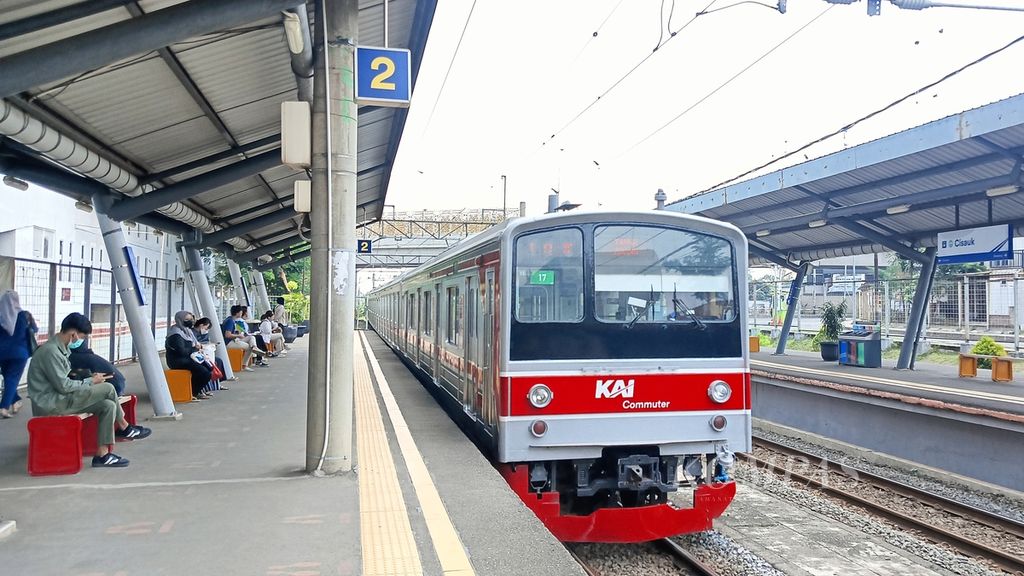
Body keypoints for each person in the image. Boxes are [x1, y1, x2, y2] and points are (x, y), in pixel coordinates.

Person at [27, 312, 151, 468]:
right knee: (107, 388)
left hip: (61, 398)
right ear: (73, 334)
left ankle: (102, 455)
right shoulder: (50, 352)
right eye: (82, 337)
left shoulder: (62, 348)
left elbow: (65, 381)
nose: (82, 340)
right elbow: (64, 386)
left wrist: (89, 378)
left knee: (108, 405)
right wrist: (90, 381)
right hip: (51, 403)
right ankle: (125, 427)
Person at [0, 290, 36, 418]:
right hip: (20, 353)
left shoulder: (0, 315)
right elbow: (34, 330)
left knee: (8, 377)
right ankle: (3, 407)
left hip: (2, 353)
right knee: (12, 378)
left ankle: (16, 401)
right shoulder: (24, 315)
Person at [165, 311, 213, 400]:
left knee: (209, 367)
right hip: (177, 361)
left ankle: (196, 389)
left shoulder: (187, 331)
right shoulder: (176, 334)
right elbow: (181, 351)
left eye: (191, 319)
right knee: (204, 372)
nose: (190, 321)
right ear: (179, 320)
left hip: (188, 358)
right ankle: (193, 392)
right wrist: (195, 348)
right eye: (187, 319)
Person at [222, 305, 267, 372]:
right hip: (229, 342)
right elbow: (227, 335)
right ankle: (244, 365)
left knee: (251, 337)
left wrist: (237, 334)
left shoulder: (230, 319)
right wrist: (238, 336)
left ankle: (255, 347)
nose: (241, 313)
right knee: (249, 347)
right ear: (237, 313)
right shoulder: (230, 321)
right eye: (240, 312)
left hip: (234, 340)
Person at [194, 317, 232, 385]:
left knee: (218, 361)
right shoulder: (193, 333)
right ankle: (211, 384)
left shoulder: (202, 333)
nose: (206, 330)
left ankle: (217, 383)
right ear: (201, 325)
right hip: (198, 354)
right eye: (206, 328)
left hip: (204, 352)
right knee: (213, 362)